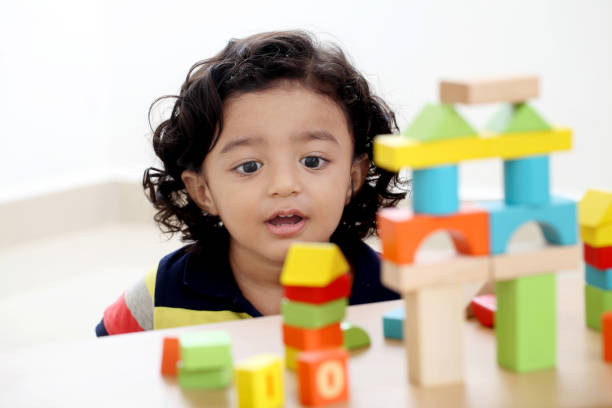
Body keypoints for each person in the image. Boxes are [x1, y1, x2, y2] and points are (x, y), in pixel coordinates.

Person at [95, 30, 407, 337]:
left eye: (312, 161)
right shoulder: (161, 295)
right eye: (249, 166)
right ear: (203, 192)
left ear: (353, 178)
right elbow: (101, 366)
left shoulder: (395, 289)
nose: (284, 185)